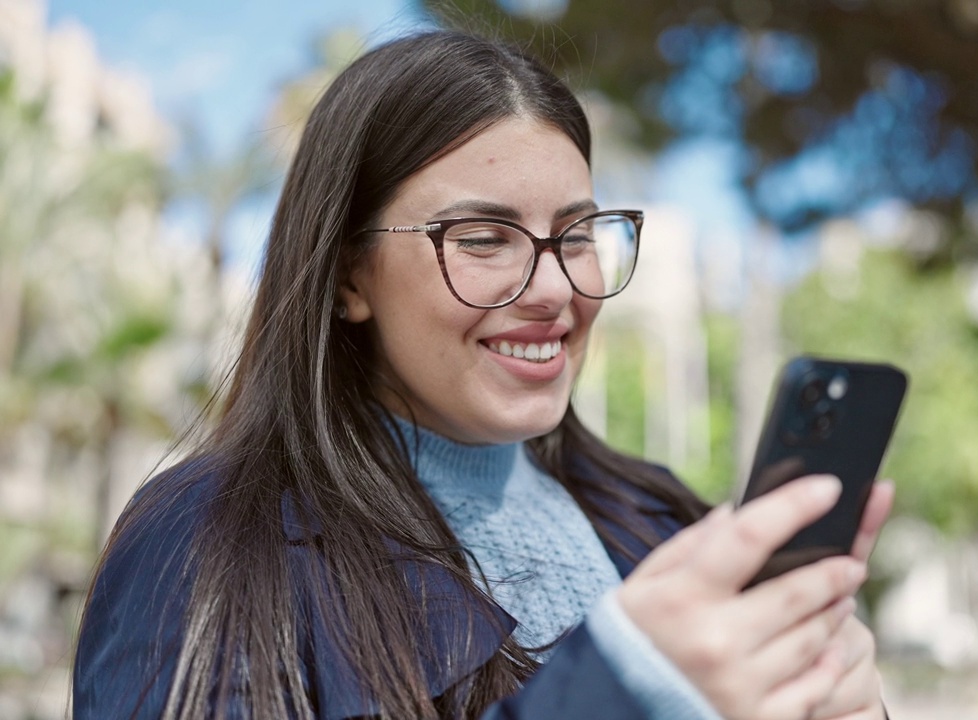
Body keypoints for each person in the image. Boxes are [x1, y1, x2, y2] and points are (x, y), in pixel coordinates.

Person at [72, 29, 894, 720]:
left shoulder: (666, 519)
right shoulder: (212, 539)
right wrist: (623, 689)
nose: (553, 290)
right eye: (480, 239)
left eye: (576, 235)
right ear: (349, 276)